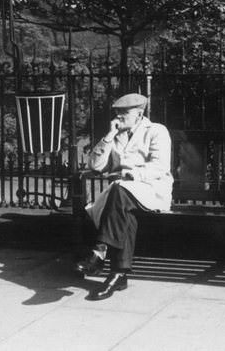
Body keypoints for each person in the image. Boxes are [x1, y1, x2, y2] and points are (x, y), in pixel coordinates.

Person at [76, 93, 173, 301]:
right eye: (117, 112)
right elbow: (95, 166)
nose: (119, 116)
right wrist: (109, 135)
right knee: (125, 213)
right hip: (122, 198)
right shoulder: (116, 135)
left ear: (139, 114)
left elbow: (160, 166)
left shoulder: (156, 131)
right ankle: (118, 274)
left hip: (151, 189)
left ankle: (100, 251)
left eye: (125, 112)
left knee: (119, 190)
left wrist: (131, 174)